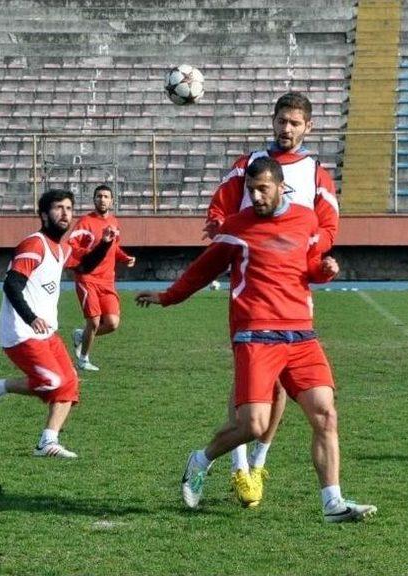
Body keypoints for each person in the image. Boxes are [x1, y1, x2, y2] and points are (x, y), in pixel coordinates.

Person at [136, 157, 376, 522]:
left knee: (325, 413)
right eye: (251, 190)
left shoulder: (306, 220)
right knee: (253, 425)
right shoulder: (236, 228)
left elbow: (307, 267)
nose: (256, 197)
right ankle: (200, 460)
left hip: (301, 334)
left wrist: (324, 270)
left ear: (281, 187)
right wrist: (169, 296)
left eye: (263, 189)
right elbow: (203, 270)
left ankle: (332, 503)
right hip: (256, 334)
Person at [204, 92, 340, 505]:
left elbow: (328, 225)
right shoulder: (247, 166)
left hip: (296, 286)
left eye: (295, 123)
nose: (287, 129)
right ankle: (239, 465)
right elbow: (220, 209)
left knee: (283, 383)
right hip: (253, 288)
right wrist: (221, 229)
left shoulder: (316, 173)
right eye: (282, 121)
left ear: (308, 127)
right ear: (273, 121)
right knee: (250, 380)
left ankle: (259, 461)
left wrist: (313, 256)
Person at [0, 189, 115, 458]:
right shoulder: (34, 244)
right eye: (58, 208)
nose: (65, 213)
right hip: (20, 331)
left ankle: (47, 442)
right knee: (52, 381)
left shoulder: (61, 249)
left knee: (70, 383)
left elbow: (84, 265)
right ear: (43, 214)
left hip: (47, 333)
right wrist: (31, 317)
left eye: (68, 208)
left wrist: (105, 244)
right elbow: (12, 285)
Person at [68, 184, 136, 371]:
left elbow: (114, 249)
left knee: (113, 323)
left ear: (112, 201)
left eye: (106, 196)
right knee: (95, 321)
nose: (102, 199)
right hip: (87, 278)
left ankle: (81, 335)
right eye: (99, 196)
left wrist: (125, 258)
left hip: (107, 281)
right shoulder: (85, 222)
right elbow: (72, 246)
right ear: (94, 199)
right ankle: (83, 359)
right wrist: (91, 251)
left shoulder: (114, 222)